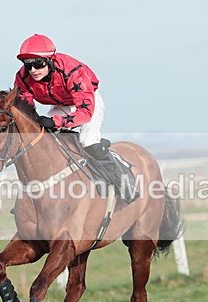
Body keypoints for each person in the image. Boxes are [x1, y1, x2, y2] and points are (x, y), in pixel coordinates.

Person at [13, 34, 137, 203]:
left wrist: (56, 122)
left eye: (38, 64)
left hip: (87, 101)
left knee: (88, 140)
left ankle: (125, 182)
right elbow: (26, 109)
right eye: (28, 66)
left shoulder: (71, 71)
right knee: (43, 139)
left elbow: (85, 113)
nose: (33, 70)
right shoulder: (23, 78)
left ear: (50, 60)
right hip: (61, 105)